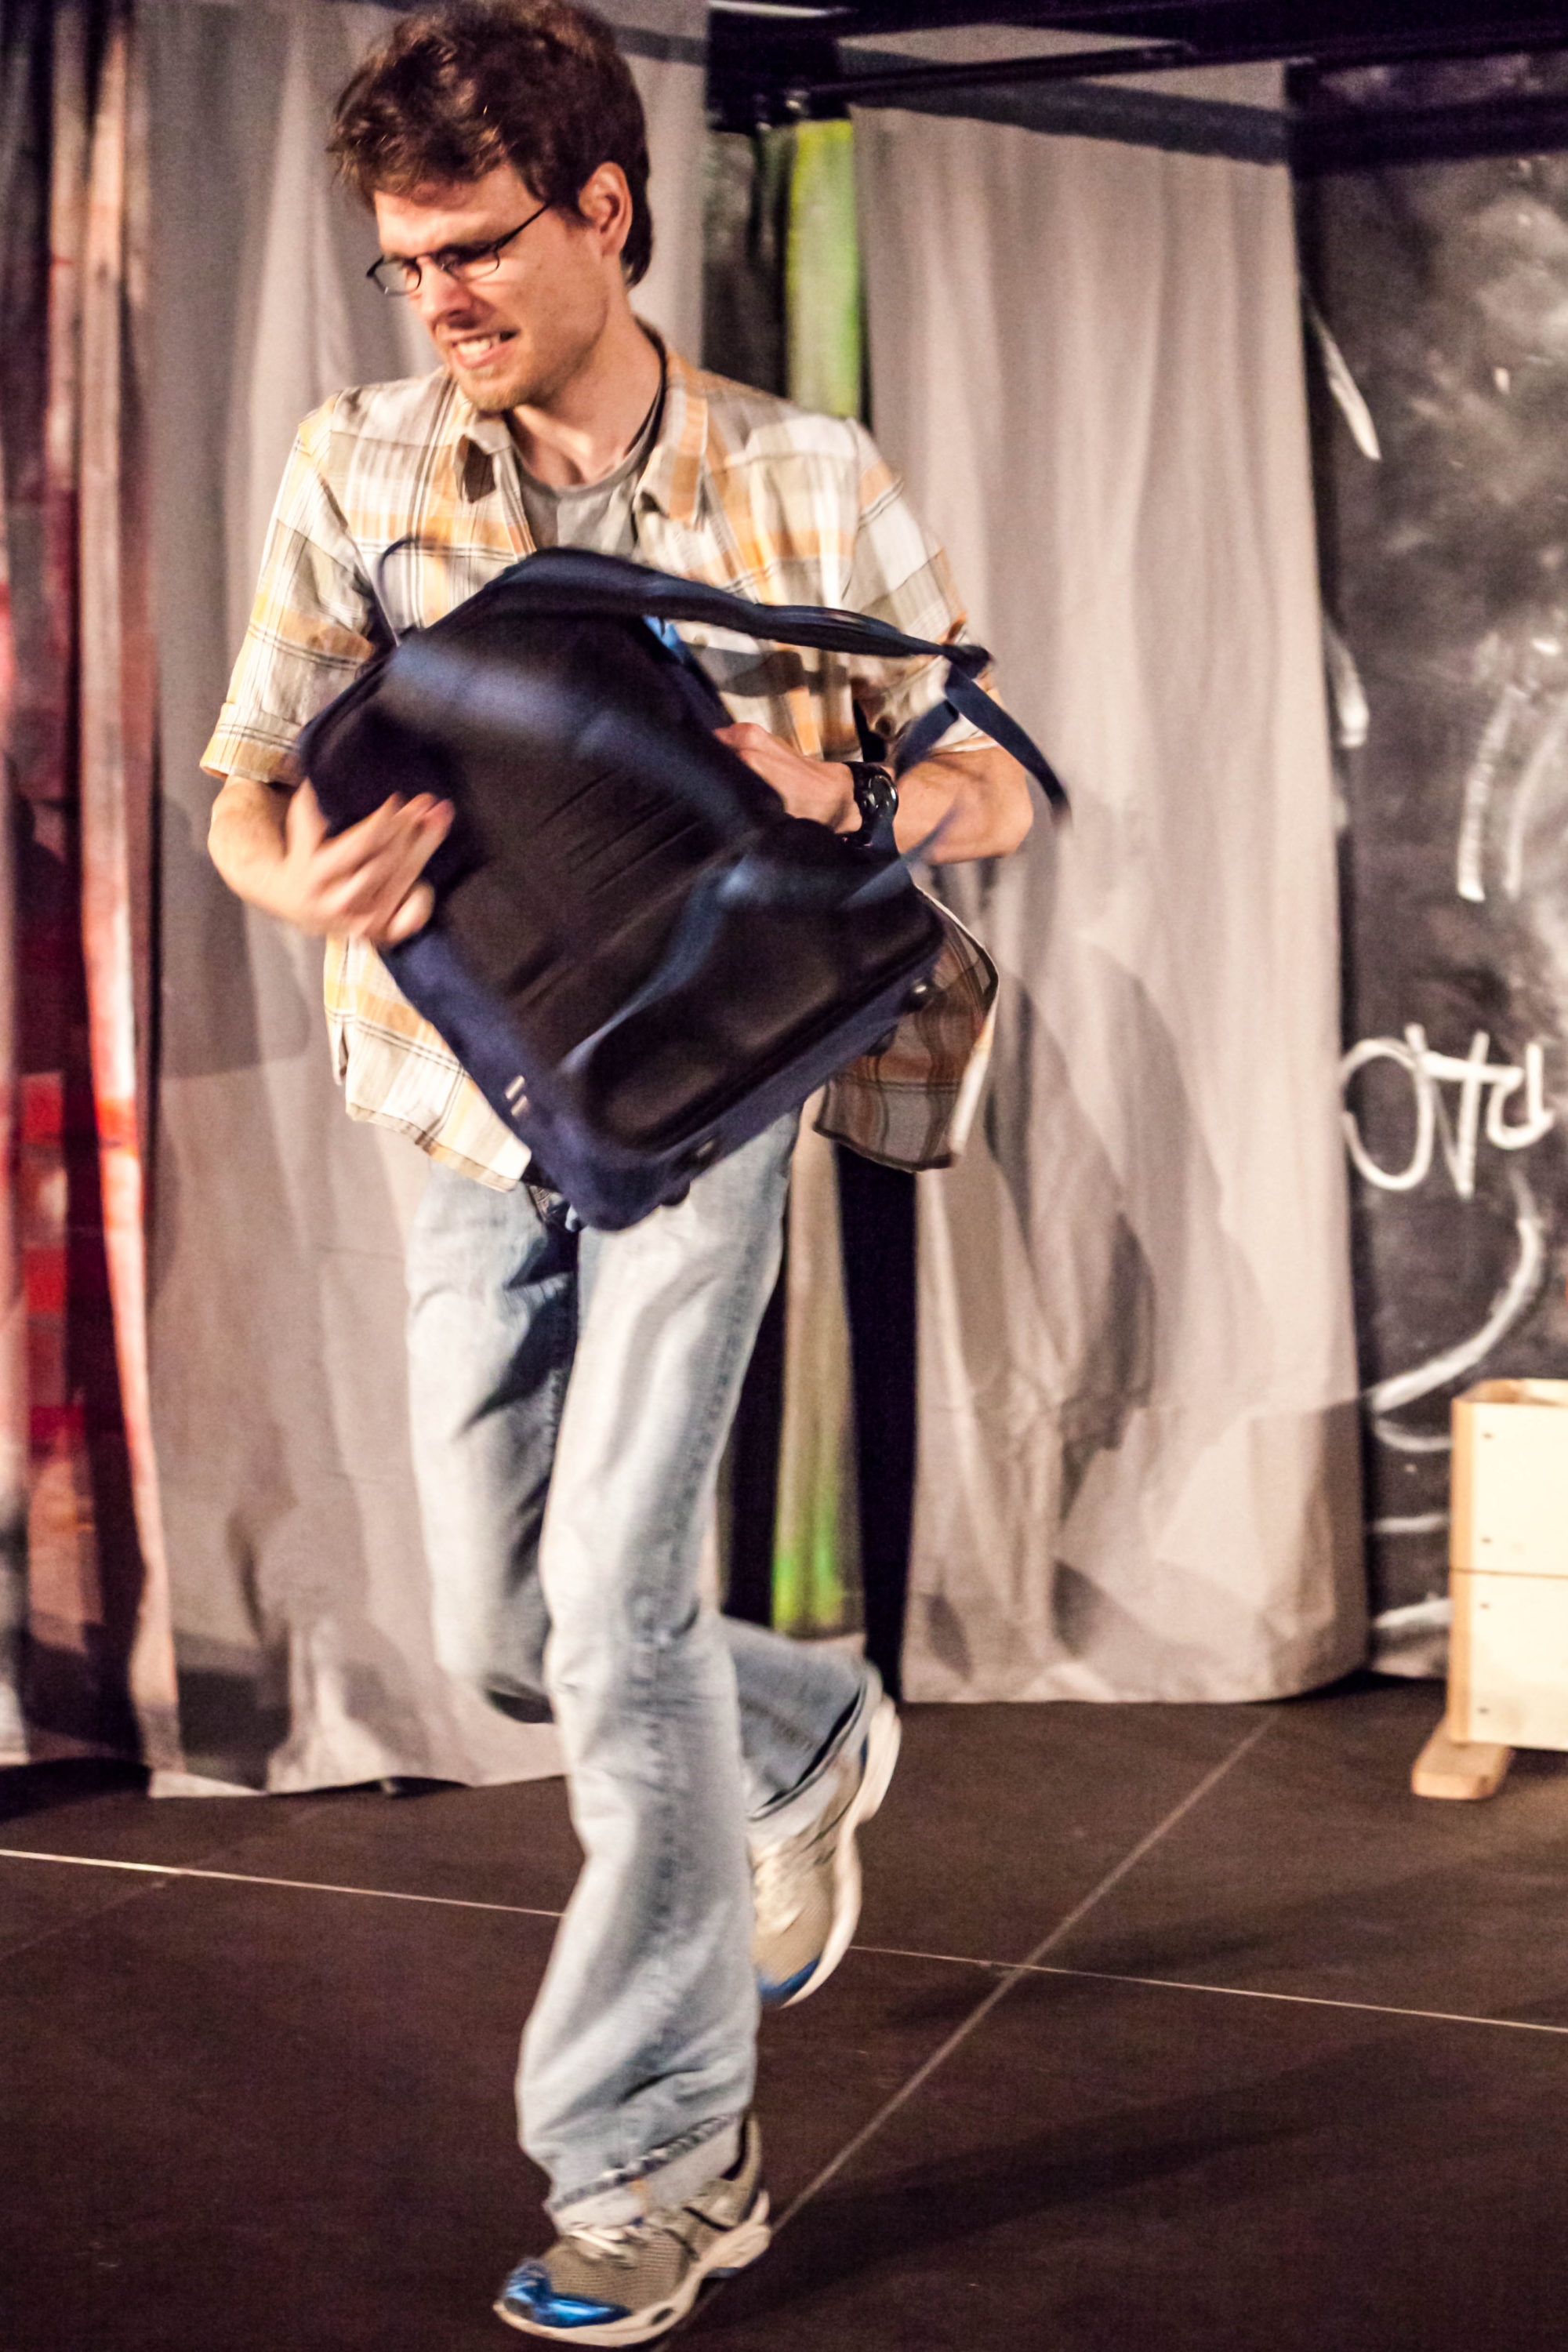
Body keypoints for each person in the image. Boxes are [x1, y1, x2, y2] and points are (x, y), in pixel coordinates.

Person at [204, 2, 1033, 2338]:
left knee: (618, 1609)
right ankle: (806, 1731)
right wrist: (292, 879)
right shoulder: (360, 461)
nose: (439, 300)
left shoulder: (804, 475)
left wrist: (855, 790)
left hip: (702, 1109)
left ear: (605, 210)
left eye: (475, 248)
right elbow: (244, 778)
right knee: (502, 1632)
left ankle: (659, 2159)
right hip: (455, 1104)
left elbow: (996, 781)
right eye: (406, 265)